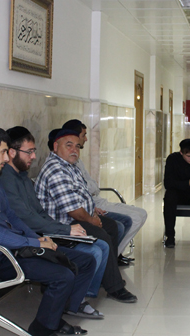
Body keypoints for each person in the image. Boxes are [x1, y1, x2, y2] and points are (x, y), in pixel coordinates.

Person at [0, 125, 94, 336]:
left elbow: (12, 217)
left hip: (16, 248)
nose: (6, 158)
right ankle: (43, 329)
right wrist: (35, 243)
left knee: (83, 261)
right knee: (63, 276)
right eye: (3, 152)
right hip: (0, 258)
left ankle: (54, 316)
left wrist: (38, 238)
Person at [0, 126, 108, 318]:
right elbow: (26, 218)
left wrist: (60, 230)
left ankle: (76, 299)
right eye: (29, 152)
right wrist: (64, 231)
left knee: (99, 245)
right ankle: (73, 302)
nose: (34, 157)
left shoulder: (22, 177)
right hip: (26, 243)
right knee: (93, 252)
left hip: (40, 235)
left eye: (34, 151)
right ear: (12, 152)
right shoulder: (5, 180)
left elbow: (39, 213)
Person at [35, 128, 137, 303]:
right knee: (102, 235)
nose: (74, 150)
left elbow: (81, 195)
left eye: (77, 146)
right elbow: (73, 210)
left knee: (113, 226)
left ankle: (107, 276)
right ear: (56, 146)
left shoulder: (69, 165)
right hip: (64, 225)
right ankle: (114, 287)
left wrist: (93, 212)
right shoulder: (55, 170)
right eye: (69, 145)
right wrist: (91, 220)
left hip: (76, 218)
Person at [62, 119, 148, 264]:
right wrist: (92, 211)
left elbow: (89, 186)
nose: (86, 139)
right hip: (89, 207)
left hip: (95, 202)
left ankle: (114, 256)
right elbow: (83, 191)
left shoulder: (76, 160)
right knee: (131, 219)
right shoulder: (62, 167)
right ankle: (113, 259)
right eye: (83, 135)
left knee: (141, 213)